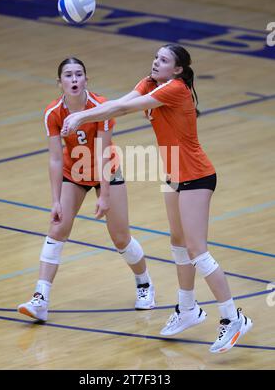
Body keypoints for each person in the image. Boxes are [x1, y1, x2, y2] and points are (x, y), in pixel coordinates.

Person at [61, 44, 253, 353]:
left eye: (163, 60)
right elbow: (119, 102)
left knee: (197, 251)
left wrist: (82, 116)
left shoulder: (175, 89)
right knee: (177, 245)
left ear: (176, 69)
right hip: (173, 176)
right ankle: (188, 309)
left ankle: (233, 318)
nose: (156, 63)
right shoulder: (150, 82)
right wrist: (87, 113)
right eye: (155, 57)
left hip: (196, 176)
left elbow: (121, 111)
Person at [17, 57, 155, 322]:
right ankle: (40, 299)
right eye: (68, 75)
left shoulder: (100, 107)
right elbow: (56, 158)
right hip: (75, 173)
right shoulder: (53, 113)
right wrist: (55, 200)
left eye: (79, 74)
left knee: (120, 238)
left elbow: (104, 152)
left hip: (107, 172)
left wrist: (104, 195)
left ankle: (144, 283)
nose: (74, 80)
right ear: (60, 83)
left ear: (86, 80)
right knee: (57, 229)